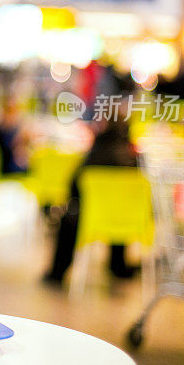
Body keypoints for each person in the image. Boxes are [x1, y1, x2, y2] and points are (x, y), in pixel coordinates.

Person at [42, 118, 138, 285]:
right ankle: (118, 266)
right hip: (128, 221)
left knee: (69, 217)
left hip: (91, 218)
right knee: (117, 212)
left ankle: (57, 272)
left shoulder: (94, 155)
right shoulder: (133, 159)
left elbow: (73, 186)